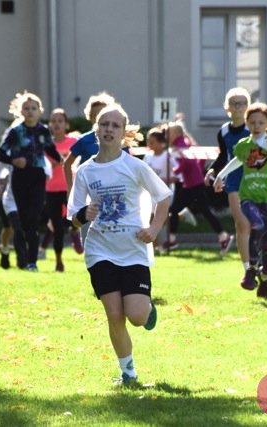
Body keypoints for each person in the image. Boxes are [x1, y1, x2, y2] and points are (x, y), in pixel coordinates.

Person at [67, 103, 171, 385]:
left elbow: (163, 197)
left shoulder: (134, 166)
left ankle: (147, 308)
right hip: (100, 250)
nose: (108, 129)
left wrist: (154, 228)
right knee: (114, 314)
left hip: (133, 249)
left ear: (124, 133)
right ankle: (128, 373)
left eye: (115, 125)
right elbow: (72, 217)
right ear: (96, 130)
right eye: (104, 124)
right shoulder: (86, 171)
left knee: (136, 316)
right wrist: (81, 215)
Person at [213, 102, 267, 299]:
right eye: (252, 122)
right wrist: (220, 176)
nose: (256, 125)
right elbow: (236, 160)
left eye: (261, 122)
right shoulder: (244, 145)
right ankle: (250, 268)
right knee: (254, 225)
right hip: (248, 196)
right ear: (247, 123)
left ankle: (265, 278)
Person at [0, 91, 61, 271]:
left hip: (37, 176)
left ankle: (32, 262)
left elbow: (51, 151)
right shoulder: (15, 132)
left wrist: (65, 159)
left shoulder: (44, 131)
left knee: (33, 218)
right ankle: (23, 259)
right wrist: (13, 161)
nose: (30, 111)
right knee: (23, 222)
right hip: (20, 177)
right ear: (20, 111)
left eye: (34, 108)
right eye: (26, 108)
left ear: (40, 111)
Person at [166, 122, 232, 253]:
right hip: (192, 183)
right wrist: (198, 170)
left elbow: (187, 162)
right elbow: (199, 159)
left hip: (193, 184)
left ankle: (172, 239)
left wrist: (175, 172)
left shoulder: (180, 145)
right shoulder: (184, 143)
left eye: (169, 133)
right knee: (181, 210)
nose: (167, 136)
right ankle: (172, 239)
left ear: (175, 134)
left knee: (179, 210)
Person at [205, 87, 251, 268]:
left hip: (254, 178)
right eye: (234, 103)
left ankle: (258, 261)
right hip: (233, 180)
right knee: (241, 222)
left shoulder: (253, 128)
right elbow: (224, 156)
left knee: (247, 225)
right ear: (227, 108)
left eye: (242, 103)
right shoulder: (223, 131)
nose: (238, 107)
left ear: (247, 106)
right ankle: (248, 267)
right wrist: (212, 171)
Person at [44, 108, 78, 271]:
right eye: (54, 121)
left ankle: (75, 230)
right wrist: (58, 161)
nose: (57, 124)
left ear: (66, 124)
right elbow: (44, 164)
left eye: (60, 121)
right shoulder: (47, 144)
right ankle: (58, 260)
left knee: (76, 216)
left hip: (70, 187)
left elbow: (79, 159)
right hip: (51, 189)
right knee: (57, 227)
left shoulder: (73, 141)